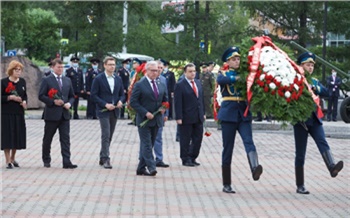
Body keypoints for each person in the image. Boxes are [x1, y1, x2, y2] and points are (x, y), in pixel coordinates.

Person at [293, 52, 343, 194]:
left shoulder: (314, 81)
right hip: (301, 120)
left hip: (314, 118)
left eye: (312, 65)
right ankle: (300, 185)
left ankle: (331, 166)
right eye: (308, 65)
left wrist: (317, 89)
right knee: (300, 153)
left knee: (322, 142)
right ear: (301, 65)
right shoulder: (296, 80)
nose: (310, 67)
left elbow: (327, 92)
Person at [217, 47, 263, 194]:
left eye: (238, 59)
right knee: (228, 148)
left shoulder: (246, 73)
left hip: (243, 113)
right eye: (234, 59)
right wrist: (237, 78)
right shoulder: (223, 73)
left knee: (249, 141)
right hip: (229, 114)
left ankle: (255, 167)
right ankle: (226, 183)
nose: (237, 61)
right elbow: (221, 80)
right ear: (228, 61)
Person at [130, 61, 168, 176]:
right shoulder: (140, 84)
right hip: (144, 120)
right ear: (146, 71)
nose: (155, 73)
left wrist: (163, 107)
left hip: (156, 119)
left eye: (157, 70)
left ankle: (141, 168)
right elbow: (133, 102)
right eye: (152, 70)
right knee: (146, 144)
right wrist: (145, 112)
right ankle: (152, 167)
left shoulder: (161, 83)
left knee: (150, 144)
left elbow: (165, 99)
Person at [38, 58, 77, 169]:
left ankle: (66, 161)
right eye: (58, 67)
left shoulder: (67, 80)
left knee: (65, 138)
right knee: (48, 138)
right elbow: (41, 95)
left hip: (64, 114)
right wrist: (53, 101)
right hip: (52, 114)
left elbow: (72, 95)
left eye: (62, 67)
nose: (60, 69)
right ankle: (46, 159)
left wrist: (70, 103)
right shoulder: (47, 80)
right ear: (53, 67)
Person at [91, 56, 125, 169]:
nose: (112, 67)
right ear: (105, 65)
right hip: (103, 110)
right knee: (105, 134)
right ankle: (106, 158)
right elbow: (94, 95)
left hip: (115, 110)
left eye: (114, 64)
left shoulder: (118, 79)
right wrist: (105, 104)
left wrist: (120, 101)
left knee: (110, 134)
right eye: (110, 64)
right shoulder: (99, 79)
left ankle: (102, 156)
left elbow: (122, 93)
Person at [174, 63, 205, 167]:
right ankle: (185, 158)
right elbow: (178, 102)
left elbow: (201, 99)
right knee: (185, 139)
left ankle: (193, 157)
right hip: (186, 116)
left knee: (198, 138)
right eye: (190, 71)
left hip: (198, 116)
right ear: (185, 73)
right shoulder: (180, 85)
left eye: (194, 71)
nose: (192, 73)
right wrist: (178, 117)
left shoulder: (198, 83)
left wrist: (203, 113)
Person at [1, 60, 27, 169]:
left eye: (20, 70)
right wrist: (9, 97)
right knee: (7, 136)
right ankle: (7, 160)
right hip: (7, 113)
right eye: (16, 70)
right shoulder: (3, 82)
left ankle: (13, 158)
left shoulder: (22, 82)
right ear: (11, 70)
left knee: (17, 135)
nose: (18, 72)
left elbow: (25, 95)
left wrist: (25, 102)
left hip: (19, 112)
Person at [154, 60, 170, 168]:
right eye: (157, 68)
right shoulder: (145, 79)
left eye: (161, 68)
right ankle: (144, 157)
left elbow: (166, 97)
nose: (159, 70)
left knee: (158, 136)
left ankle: (159, 159)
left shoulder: (163, 80)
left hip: (160, 113)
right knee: (147, 138)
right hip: (148, 113)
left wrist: (166, 113)